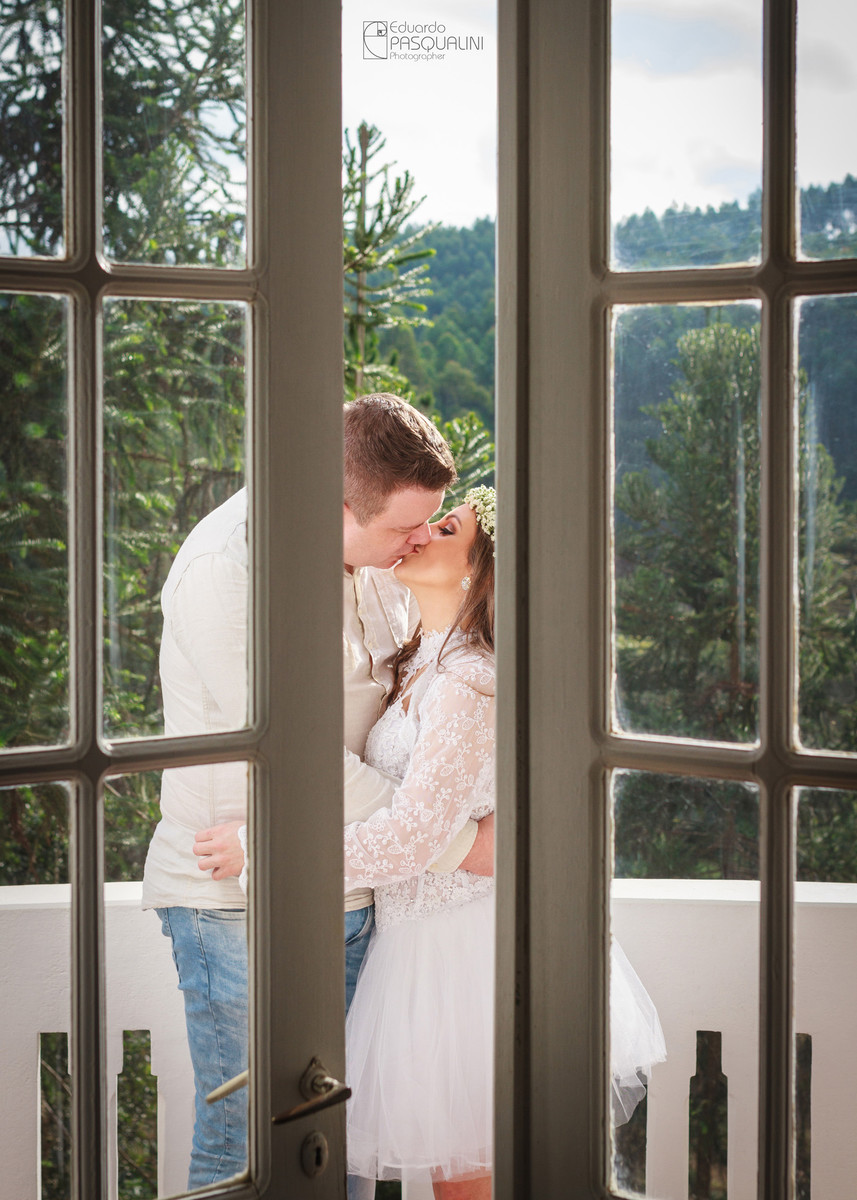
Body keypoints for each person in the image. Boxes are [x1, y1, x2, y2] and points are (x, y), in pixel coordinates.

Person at [142, 394, 495, 1190]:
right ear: (334, 503)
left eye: (429, 525)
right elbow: (302, 759)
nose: (417, 544)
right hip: (240, 902)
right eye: (403, 530)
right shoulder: (229, 576)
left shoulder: (376, 562)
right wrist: (465, 845)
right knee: (252, 1145)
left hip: (359, 893)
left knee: (336, 1147)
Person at [341, 486, 665, 1197]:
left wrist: (270, 857)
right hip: (421, 945)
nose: (422, 531)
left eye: (445, 526)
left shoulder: (466, 678)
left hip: (463, 958)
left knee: (467, 1182)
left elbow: (411, 836)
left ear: (480, 571)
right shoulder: (425, 660)